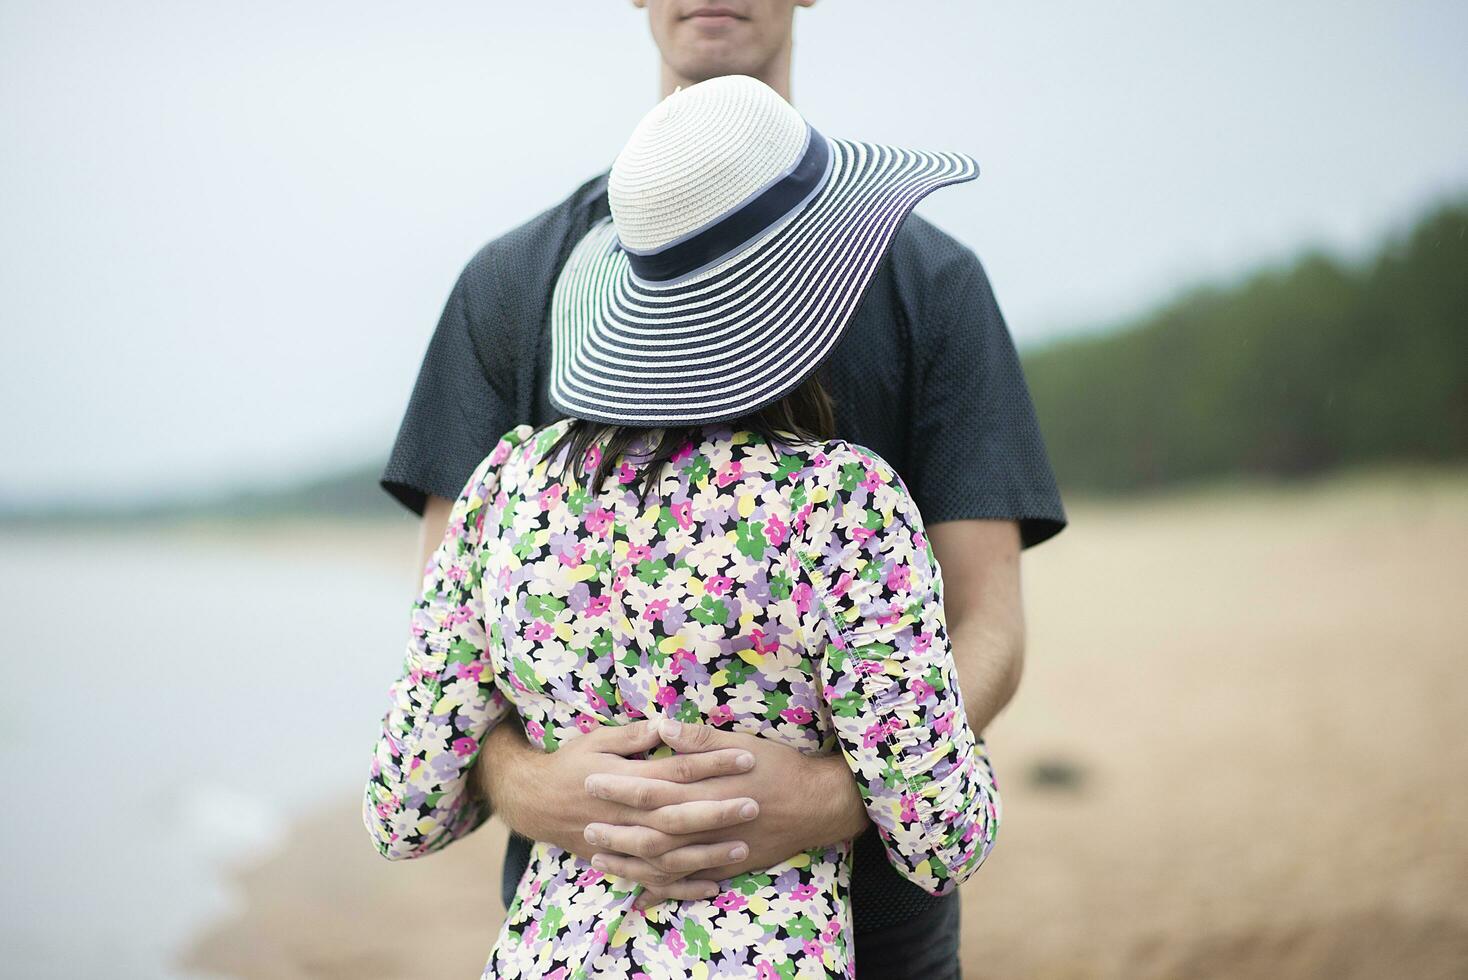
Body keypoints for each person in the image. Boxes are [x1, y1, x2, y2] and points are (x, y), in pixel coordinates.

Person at [378, 4, 1068, 977]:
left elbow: (989, 616)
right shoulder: (503, 288)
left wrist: (830, 794)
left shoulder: (935, 282)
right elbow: (945, 820)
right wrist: (537, 787)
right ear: (803, 288)